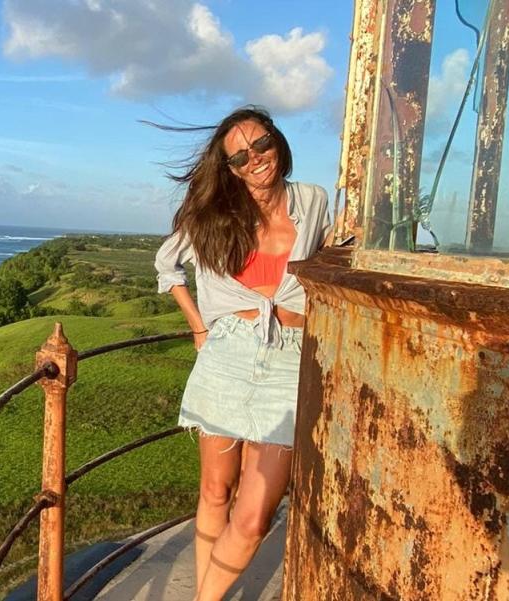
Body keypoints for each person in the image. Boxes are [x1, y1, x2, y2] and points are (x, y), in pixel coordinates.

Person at [154, 106, 330, 600]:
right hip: (227, 353)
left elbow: (333, 254)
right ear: (227, 168)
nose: (255, 160)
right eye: (239, 157)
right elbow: (167, 266)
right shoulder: (214, 217)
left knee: (253, 516)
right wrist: (198, 329)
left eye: (262, 145)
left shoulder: (312, 201)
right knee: (215, 491)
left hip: (291, 357)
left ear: (277, 143)